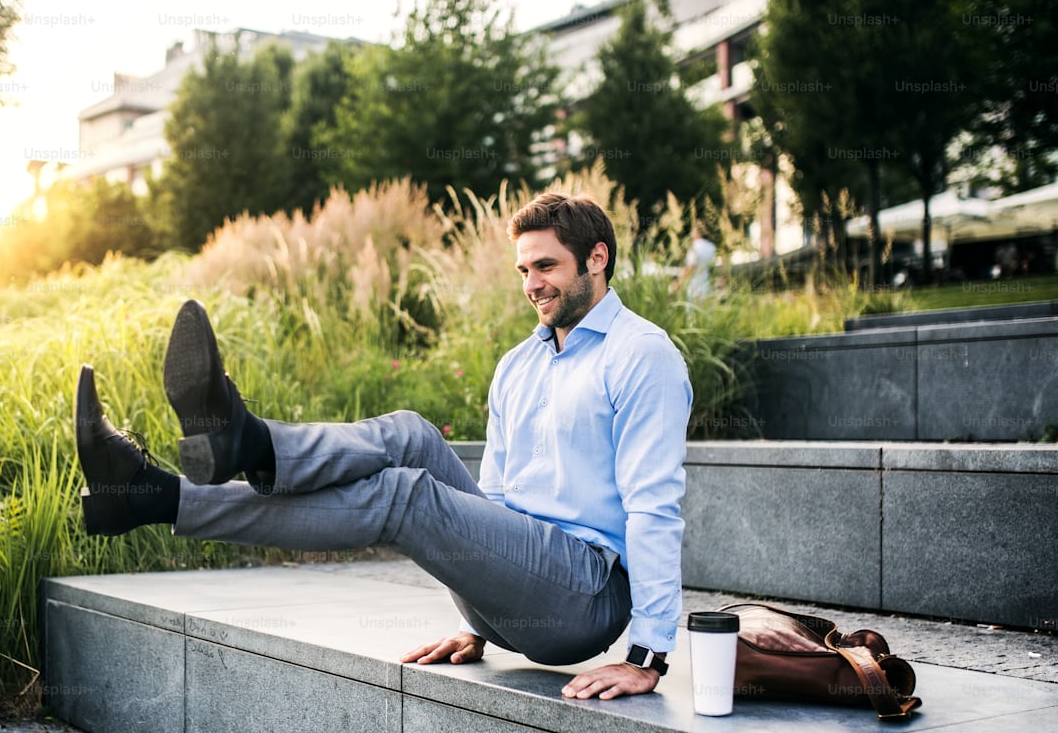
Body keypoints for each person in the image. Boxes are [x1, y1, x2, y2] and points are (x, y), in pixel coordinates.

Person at [75, 191, 692, 701]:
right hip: (516, 583)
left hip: (584, 596)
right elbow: (497, 499)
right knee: (412, 433)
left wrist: (648, 656)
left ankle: (193, 475)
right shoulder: (518, 364)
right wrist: (475, 615)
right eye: (523, 270)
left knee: (406, 495)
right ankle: (199, 469)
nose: (532, 285)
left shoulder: (641, 355)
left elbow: (654, 508)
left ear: (597, 258)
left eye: (547, 267)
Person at [672, 224, 717, 300]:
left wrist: (677, 283)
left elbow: (690, 268)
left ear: (698, 233)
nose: (691, 234)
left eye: (692, 232)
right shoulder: (711, 247)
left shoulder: (694, 247)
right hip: (707, 285)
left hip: (695, 287)